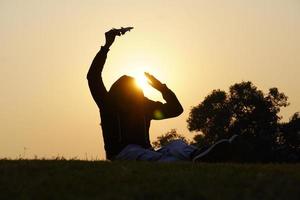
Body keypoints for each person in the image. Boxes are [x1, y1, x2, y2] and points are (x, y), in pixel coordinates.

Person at [87, 27, 238, 162]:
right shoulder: (109, 105)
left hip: (147, 152)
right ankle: (176, 164)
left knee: (176, 144)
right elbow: (93, 77)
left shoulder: (144, 107)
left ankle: (197, 156)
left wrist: (162, 88)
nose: (133, 97)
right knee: (143, 154)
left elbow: (176, 109)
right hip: (121, 154)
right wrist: (106, 47)